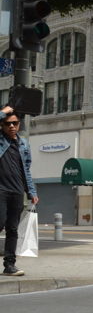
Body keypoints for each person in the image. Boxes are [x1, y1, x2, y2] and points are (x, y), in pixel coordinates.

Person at [0, 107, 39, 277]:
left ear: (19, 124)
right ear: (2, 125)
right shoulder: (1, 140)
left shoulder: (23, 144)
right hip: (1, 190)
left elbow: (26, 170)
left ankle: (9, 265)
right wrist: (4, 111)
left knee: (13, 229)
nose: (12, 126)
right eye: (7, 123)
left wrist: (31, 191)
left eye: (15, 123)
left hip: (17, 191)